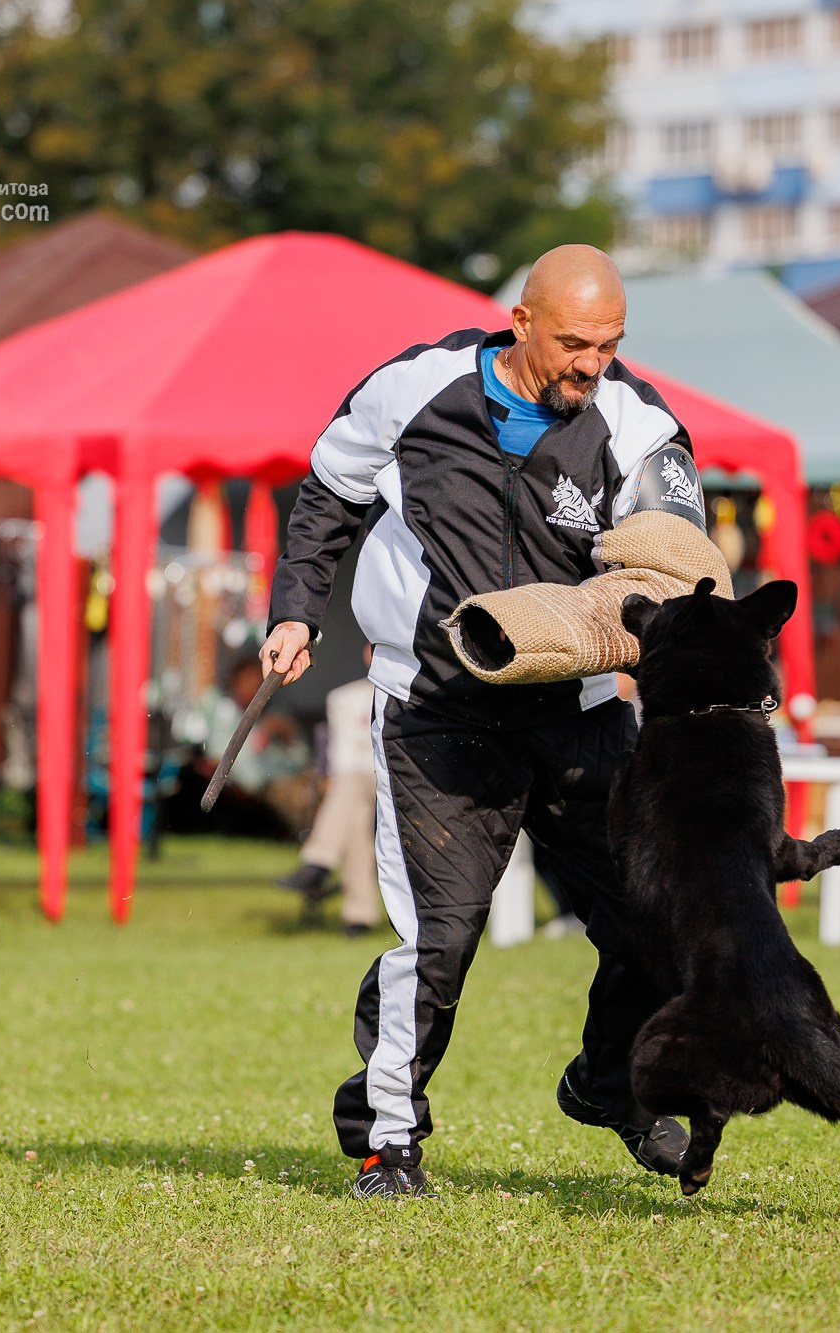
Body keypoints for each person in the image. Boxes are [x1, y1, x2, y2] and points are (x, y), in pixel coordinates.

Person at [260, 244, 704, 1200]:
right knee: (440, 939)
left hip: (580, 716)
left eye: (612, 345)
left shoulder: (638, 423)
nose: (594, 364)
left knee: (656, 916)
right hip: (438, 716)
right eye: (576, 343)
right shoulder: (413, 389)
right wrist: (296, 606)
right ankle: (387, 1141)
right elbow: (328, 491)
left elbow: (673, 558)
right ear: (521, 321)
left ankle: (610, 1085)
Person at [279, 649, 384, 936]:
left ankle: (318, 863)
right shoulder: (344, 698)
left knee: (350, 792)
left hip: (394, 782)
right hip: (358, 784)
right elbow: (343, 753)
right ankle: (359, 915)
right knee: (355, 815)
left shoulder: (409, 699)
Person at [177, 656, 316, 837]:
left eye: (259, 682)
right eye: (248, 681)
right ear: (234, 683)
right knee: (299, 798)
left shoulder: (277, 714)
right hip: (261, 784)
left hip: (289, 775)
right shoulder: (219, 711)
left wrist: (287, 735)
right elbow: (211, 754)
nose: (254, 687)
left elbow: (302, 758)